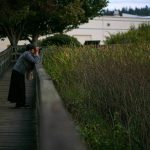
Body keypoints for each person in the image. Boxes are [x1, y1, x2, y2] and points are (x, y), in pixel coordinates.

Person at [8, 44, 40, 108]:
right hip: (17, 72)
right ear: (31, 49)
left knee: (20, 88)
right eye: (34, 49)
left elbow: (34, 60)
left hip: (18, 72)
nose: (35, 50)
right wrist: (37, 53)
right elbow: (35, 61)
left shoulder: (27, 53)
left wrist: (36, 53)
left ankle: (20, 104)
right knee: (19, 88)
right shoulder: (27, 54)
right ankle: (20, 104)